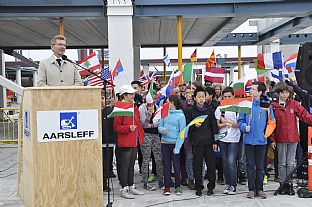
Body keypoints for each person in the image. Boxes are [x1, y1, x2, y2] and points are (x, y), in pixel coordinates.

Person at [270, 82, 312, 195]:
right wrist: (272, 139)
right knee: (282, 163)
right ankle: (283, 184)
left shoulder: (294, 104)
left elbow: (305, 115)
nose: (284, 94)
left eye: (286, 92)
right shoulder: (273, 106)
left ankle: (290, 185)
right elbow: (271, 124)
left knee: (291, 162)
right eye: (282, 92)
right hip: (280, 138)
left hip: (293, 137)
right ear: (278, 93)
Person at [238, 82, 276, 199]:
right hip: (248, 141)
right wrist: (244, 127)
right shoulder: (246, 105)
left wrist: (265, 134)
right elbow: (240, 120)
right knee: (250, 166)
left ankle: (260, 189)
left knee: (260, 166)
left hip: (261, 141)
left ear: (260, 92)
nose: (251, 91)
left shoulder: (266, 105)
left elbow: (272, 122)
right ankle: (251, 189)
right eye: (251, 89)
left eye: (254, 89)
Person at [186, 86, 218, 196]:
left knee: (211, 166)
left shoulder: (209, 110)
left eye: (203, 97)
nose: (201, 99)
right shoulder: (190, 110)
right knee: (197, 166)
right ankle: (198, 187)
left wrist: (216, 141)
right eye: (199, 97)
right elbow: (187, 127)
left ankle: (211, 187)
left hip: (209, 142)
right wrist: (194, 126)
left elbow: (214, 127)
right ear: (194, 98)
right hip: (197, 143)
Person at [113, 85, 145, 199]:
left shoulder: (133, 106)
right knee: (124, 165)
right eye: (130, 94)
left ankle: (131, 185)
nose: (133, 95)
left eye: (133, 94)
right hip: (125, 140)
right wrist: (128, 128)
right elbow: (116, 127)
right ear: (124, 95)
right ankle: (124, 188)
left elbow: (137, 122)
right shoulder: (119, 107)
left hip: (134, 139)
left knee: (131, 165)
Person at [215, 87, 241, 195]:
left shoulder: (237, 108)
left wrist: (226, 121)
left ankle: (233, 185)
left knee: (231, 162)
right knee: (225, 162)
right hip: (222, 138)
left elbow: (238, 124)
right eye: (225, 96)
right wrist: (225, 123)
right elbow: (217, 125)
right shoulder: (219, 108)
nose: (227, 98)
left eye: (229, 96)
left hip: (234, 139)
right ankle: (228, 184)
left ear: (233, 96)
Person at [158, 95, 186, 196]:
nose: (165, 104)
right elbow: (159, 126)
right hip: (164, 143)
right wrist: (161, 130)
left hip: (175, 144)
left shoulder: (181, 116)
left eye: (167, 102)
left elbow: (182, 133)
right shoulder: (164, 113)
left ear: (172, 103)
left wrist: (178, 147)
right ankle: (167, 187)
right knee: (166, 166)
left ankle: (178, 186)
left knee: (177, 166)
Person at [139, 99, 164, 191]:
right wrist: (149, 114)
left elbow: (159, 122)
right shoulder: (142, 108)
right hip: (145, 135)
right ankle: (145, 182)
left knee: (158, 159)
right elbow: (144, 124)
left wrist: (151, 125)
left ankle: (161, 180)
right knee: (146, 159)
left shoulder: (158, 107)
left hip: (156, 135)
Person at [101, 92, 117, 192]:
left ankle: (105, 183)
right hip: (96, 143)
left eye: (102, 98)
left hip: (107, 142)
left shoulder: (110, 111)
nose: (100, 100)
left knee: (106, 163)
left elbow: (113, 127)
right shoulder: (92, 110)